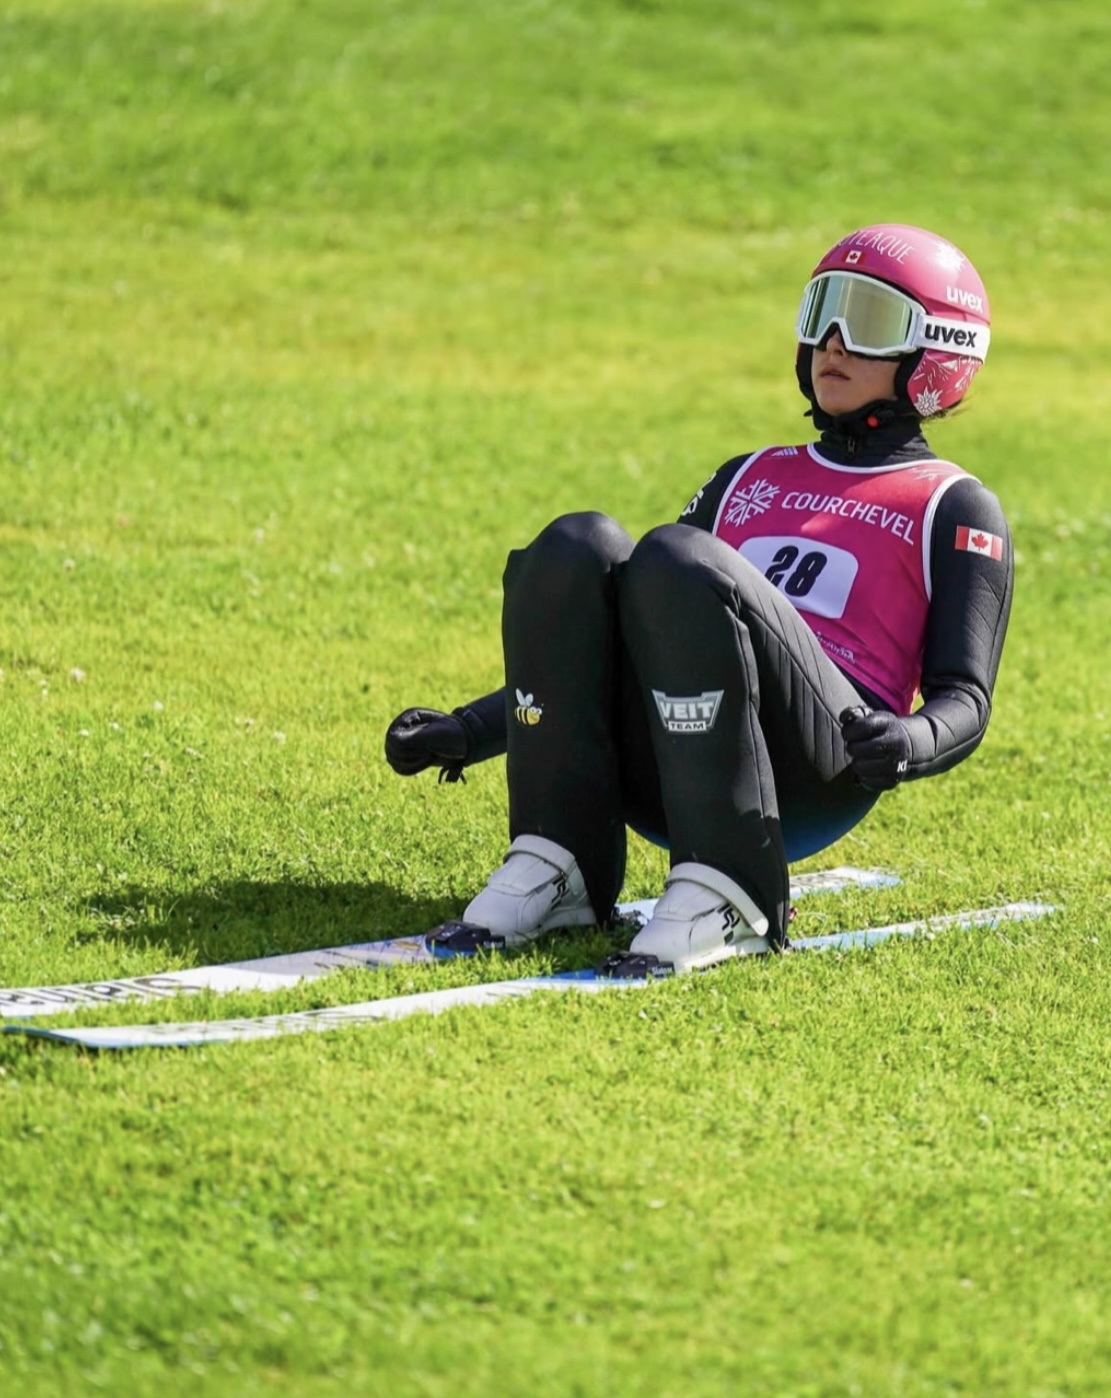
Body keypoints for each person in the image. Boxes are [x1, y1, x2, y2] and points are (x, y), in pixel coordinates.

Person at [384, 223, 1013, 974]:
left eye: (869, 322)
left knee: (677, 557)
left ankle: (732, 889)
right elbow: (623, 631)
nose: (834, 344)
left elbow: (965, 699)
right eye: (822, 316)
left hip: (810, 769)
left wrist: (911, 742)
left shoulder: (953, 504)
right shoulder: (746, 474)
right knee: (575, 546)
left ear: (934, 355)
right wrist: (472, 729)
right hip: (667, 758)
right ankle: (559, 859)